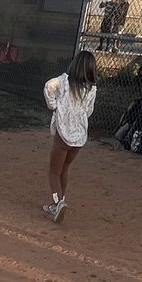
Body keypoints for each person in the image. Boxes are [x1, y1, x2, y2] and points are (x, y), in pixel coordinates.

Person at [42, 50, 97, 222]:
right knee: (65, 168)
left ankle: (57, 203)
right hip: (79, 135)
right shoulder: (91, 89)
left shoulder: (63, 81)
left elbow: (48, 87)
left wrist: (54, 105)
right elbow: (89, 110)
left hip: (63, 133)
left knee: (54, 171)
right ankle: (61, 200)